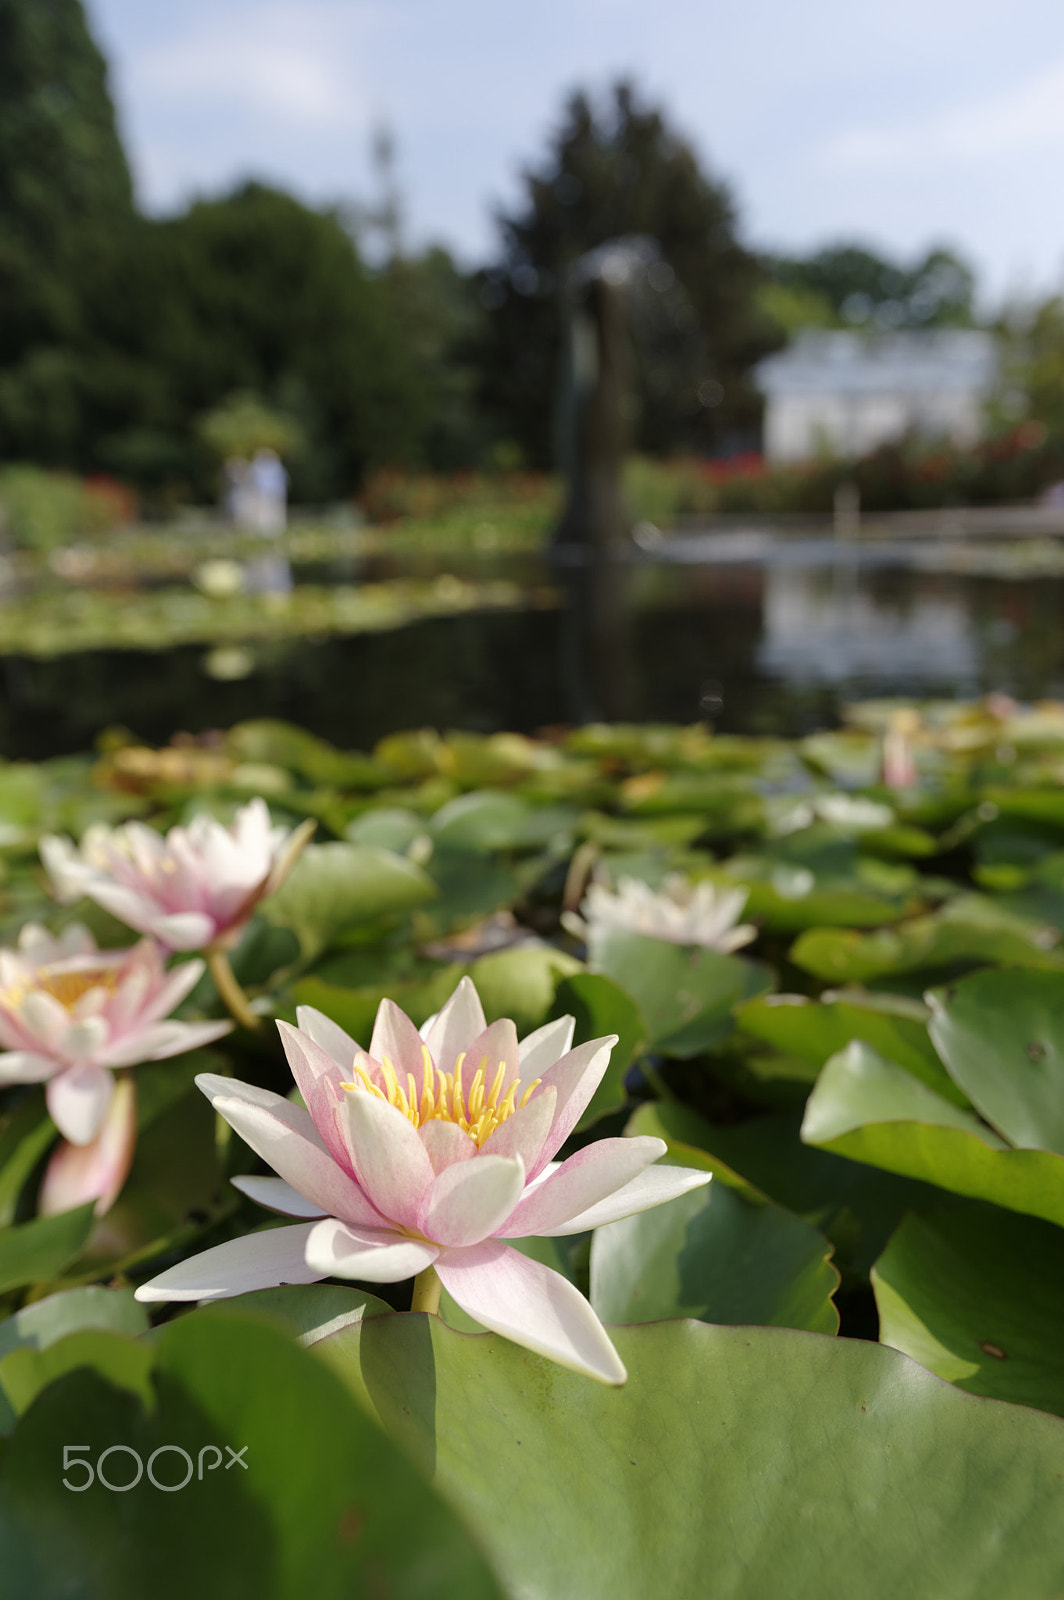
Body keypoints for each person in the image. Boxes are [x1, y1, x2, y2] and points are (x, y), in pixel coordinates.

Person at [246, 448, 288, 535]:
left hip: (267, 493)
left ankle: (270, 531)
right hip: (270, 493)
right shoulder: (276, 466)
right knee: (268, 513)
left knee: (268, 513)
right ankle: (270, 531)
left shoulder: (259, 466)